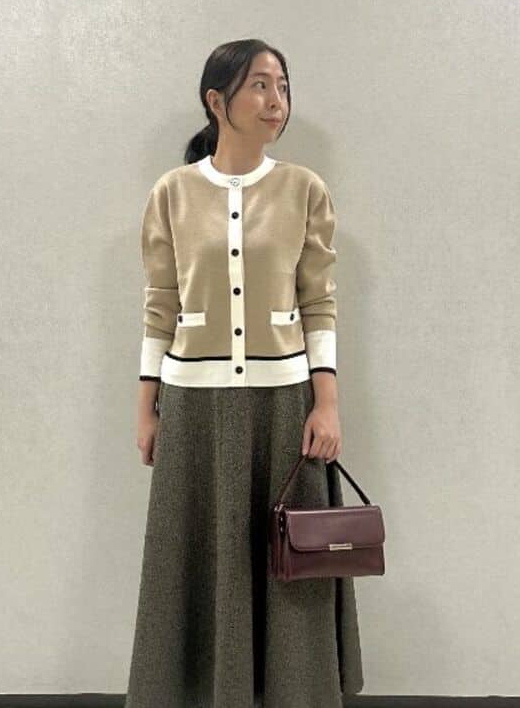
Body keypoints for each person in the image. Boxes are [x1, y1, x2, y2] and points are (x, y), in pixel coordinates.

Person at [126, 38, 364, 708]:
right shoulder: (172, 193)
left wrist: (327, 403)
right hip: (194, 409)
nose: (275, 100)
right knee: (194, 561)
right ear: (216, 100)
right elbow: (160, 306)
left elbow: (318, 302)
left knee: (291, 568)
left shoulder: (304, 190)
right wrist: (146, 407)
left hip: (284, 407)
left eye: (282, 86)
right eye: (259, 85)